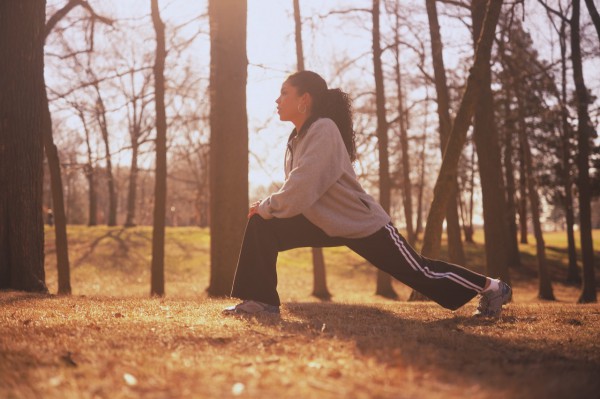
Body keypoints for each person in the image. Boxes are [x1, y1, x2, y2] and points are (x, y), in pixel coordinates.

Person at [223, 70, 511, 318]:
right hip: (322, 221)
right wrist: (267, 209)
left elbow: (302, 185)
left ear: (304, 100)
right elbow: (300, 191)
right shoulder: (297, 139)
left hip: (359, 223)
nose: (277, 100)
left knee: (420, 272)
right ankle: (261, 301)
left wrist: (268, 204)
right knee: (262, 225)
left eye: (284, 93)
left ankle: (493, 288)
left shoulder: (324, 130)